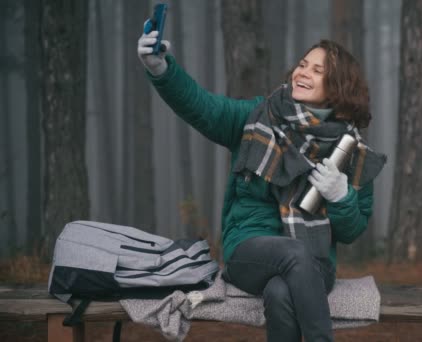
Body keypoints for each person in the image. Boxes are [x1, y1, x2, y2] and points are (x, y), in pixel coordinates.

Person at [138, 29, 385, 342]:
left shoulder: (352, 153)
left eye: (316, 70)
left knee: (281, 293)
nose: (303, 72)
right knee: (295, 252)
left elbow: (353, 230)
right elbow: (204, 108)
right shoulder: (257, 116)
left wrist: (341, 197)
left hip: (315, 265)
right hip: (249, 248)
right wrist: (161, 69)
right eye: (303, 64)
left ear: (337, 88)